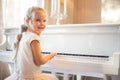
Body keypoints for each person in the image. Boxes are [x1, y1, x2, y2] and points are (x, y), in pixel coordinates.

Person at [5, 6, 58, 80]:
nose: (42, 23)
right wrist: (51, 55)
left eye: (44, 20)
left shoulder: (24, 35)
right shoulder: (34, 37)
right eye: (38, 20)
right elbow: (39, 61)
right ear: (28, 21)